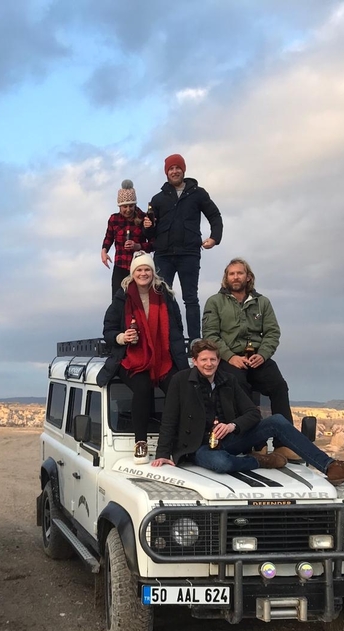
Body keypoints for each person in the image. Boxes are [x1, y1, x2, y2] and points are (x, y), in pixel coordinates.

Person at [151, 340, 344, 485]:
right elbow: (169, 418)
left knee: (276, 420)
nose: (209, 364)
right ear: (195, 361)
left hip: (229, 438)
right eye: (204, 360)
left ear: (218, 361)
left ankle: (330, 466)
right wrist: (163, 453)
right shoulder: (180, 381)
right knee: (222, 464)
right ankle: (261, 461)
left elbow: (253, 413)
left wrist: (232, 426)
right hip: (197, 446)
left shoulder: (228, 380)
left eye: (213, 359)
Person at [95, 252, 190, 464]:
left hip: (163, 356)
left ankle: (177, 443)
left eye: (147, 269)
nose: (143, 273)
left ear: (153, 272)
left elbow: (177, 327)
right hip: (130, 357)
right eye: (139, 269)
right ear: (133, 272)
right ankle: (141, 443)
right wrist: (121, 337)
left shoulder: (165, 294)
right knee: (143, 387)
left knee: (178, 388)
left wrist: (177, 355)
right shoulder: (122, 296)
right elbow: (108, 330)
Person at [202, 258, 293, 441]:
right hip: (230, 359)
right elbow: (210, 334)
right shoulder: (215, 302)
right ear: (226, 278)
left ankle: (285, 442)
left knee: (279, 386)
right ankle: (250, 442)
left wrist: (263, 354)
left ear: (248, 277)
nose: (235, 277)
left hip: (257, 357)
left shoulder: (262, 302)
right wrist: (230, 357)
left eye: (240, 273)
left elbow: (272, 332)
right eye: (231, 274)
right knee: (238, 388)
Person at [143, 153, 223, 343]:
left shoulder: (198, 194)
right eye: (171, 168)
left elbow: (215, 216)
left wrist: (214, 238)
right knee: (161, 297)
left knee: (190, 298)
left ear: (183, 169)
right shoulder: (157, 199)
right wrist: (147, 227)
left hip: (189, 253)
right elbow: (149, 233)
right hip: (163, 254)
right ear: (166, 173)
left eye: (177, 167)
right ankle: (166, 337)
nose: (174, 171)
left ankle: (195, 340)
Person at [100, 179, 153, 296]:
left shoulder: (145, 218)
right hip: (120, 266)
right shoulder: (114, 219)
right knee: (118, 300)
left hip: (140, 267)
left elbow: (154, 244)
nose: (128, 209)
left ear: (135, 204)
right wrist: (104, 251)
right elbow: (108, 238)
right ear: (119, 206)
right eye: (124, 206)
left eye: (131, 206)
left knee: (140, 300)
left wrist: (138, 246)